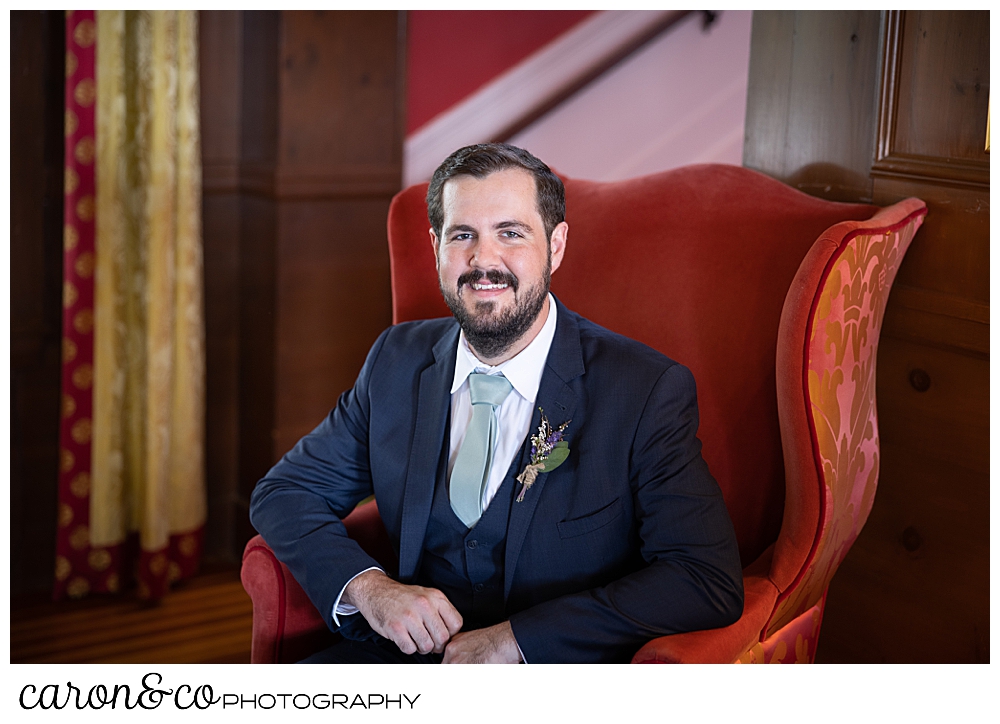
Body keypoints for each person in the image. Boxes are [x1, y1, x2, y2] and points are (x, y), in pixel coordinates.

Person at [249, 143, 743, 664]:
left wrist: (518, 641)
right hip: (406, 660)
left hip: (553, 671)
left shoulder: (645, 389)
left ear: (556, 245)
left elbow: (704, 578)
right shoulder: (395, 360)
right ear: (437, 247)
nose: (484, 260)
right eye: (463, 235)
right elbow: (284, 491)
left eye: (511, 233)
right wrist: (370, 589)